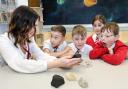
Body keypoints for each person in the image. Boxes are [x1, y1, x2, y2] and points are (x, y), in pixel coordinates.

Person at [0, 6, 81, 73]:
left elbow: (41, 56)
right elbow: (20, 64)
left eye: (35, 26)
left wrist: (64, 61)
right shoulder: (4, 40)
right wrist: (57, 63)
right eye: (31, 25)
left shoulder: (28, 38)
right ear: (19, 23)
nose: (33, 30)